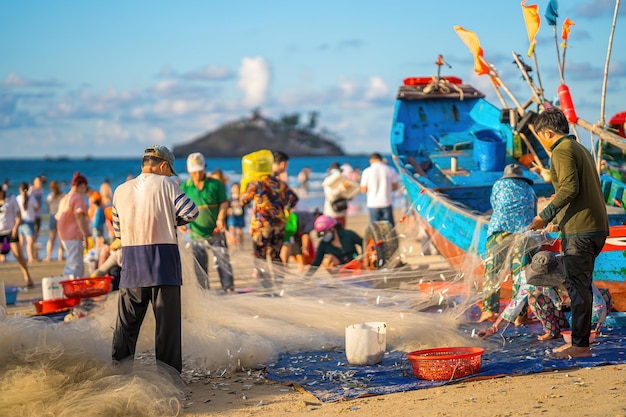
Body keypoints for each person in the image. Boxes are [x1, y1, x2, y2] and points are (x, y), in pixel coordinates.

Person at [529, 107, 609, 359]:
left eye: (539, 137)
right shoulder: (580, 149)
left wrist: (545, 215)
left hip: (581, 230)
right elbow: (576, 190)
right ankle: (580, 342)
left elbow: (570, 189)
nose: (540, 142)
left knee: (577, 288)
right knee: (580, 287)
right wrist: (558, 219)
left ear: (548, 133)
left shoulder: (561, 151)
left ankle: (580, 345)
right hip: (593, 227)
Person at [111, 145, 198, 374]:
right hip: (163, 266)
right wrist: (170, 219)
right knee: (167, 330)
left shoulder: (120, 190)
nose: (170, 175)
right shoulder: (167, 184)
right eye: (170, 170)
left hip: (132, 267)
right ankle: (169, 379)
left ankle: (119, 374)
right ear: (163, 165)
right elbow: (191, 212)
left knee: (126, 328)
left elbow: (118, 233)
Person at [479, 251, 611, 341]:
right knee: (534, 298)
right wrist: (493, 328)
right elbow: (514, 306)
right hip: (558, 310)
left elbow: (597, 304)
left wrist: (586, 330)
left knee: (604, 295)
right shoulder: (528, 282)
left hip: (582, 309)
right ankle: (552, 332)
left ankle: (594, 331)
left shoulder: (574, 271)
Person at [479, 164, 537, 323]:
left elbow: (495, 205)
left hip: (498, 230)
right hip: (523, 232)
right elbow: (535, 213)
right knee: (520, 274)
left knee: (492, 271)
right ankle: (520, 315)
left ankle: (489, 311)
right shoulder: (529, 189)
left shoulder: (498, 185)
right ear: (521, 177)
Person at [240, 150, 299, 288]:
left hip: (261, 226)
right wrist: (285, 209)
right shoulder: (280, 184)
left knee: (260, 258)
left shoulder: (256, 183)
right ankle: (278, 286)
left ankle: (266, 288)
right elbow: (294, 199)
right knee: (276, 258)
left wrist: (243, 187)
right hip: (279, 225)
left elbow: (243, 200)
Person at [180, 152, 234, 293]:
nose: (197, 174)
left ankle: (228, 288)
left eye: (200, 171)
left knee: (223, 261)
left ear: (204, 168)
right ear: (189, 171)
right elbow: (179, 209)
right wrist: (181, 224)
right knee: (199, 265)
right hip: (196, 233)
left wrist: (221, 218)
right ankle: (203, 292)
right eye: (194, 172)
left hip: (216, 231)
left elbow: (223, 202)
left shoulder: (216, 184)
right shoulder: (185, 187)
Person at [56, 172, 91, 278]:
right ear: (82, 186)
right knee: (74, 264)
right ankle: (71, 287)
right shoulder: (77, 197)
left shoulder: (65, 198)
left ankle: (76, 287)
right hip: (74, 235)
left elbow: (58, 217)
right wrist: (85, 234)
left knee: (74, 261)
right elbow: (79, 216)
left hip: (64, 236)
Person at [0, 188, 34, 287]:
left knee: (18, 254)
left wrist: (15, 228)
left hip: (11, 231)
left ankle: (27, 276)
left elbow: (19, 215)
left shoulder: (11, 199)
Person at [360, 152, 399, 226]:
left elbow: (363, 189)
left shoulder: (366, 171)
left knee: (375, 228)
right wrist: (386, 189)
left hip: (372, 202)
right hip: (386, 201)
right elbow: (395, 186)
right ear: (381, 159)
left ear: (371, 160)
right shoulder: (390, 169)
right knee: (389, 226)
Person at [322, 162, 353, 228]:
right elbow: (330, 195)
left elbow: (350, 197)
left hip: (342, 211)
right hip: (331, 211)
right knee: (333, 230)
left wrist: (350, 193)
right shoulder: (328, 181)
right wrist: (342, 188)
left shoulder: (344, 180)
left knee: (342, 231)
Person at [16, 182, 40, 262]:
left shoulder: (18, 198)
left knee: (21, 242)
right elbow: (37, 207)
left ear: (20, 189)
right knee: (30, 242)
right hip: (29, 221)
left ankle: (21, 257)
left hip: (20, 221)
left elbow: (15, 210)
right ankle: (30, 257)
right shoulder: (31, 198)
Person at [44, 180, 65, 262]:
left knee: (51, 238)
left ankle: (48, 256)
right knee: (61, 238)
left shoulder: (49, 196)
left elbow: (48, 207)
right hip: (60, 217)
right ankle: (60, 256)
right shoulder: (62, 196)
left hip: (52, 216)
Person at [226, 182, 245, 249]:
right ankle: (233, 244)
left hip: (240, 215)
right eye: (234, 188)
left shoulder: (241, 198)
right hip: (232, 216)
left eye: (237, 188)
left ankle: (241, 244)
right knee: (232, 229)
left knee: (240, 231)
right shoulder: (230, 198)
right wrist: (228, 210)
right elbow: (227, 205)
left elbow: (245, 205)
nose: (235, 189)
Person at [29, 176, 45, 241]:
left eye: (40, 181)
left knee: (37, 230)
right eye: (38, 181)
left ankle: (34, 243)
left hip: (39, 213)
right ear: (34, 182)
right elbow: (28, 201)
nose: (39, 183)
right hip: (32, 214)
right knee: (32, 232)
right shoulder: (31, 189)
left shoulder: (41, 189)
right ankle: (32, 244)